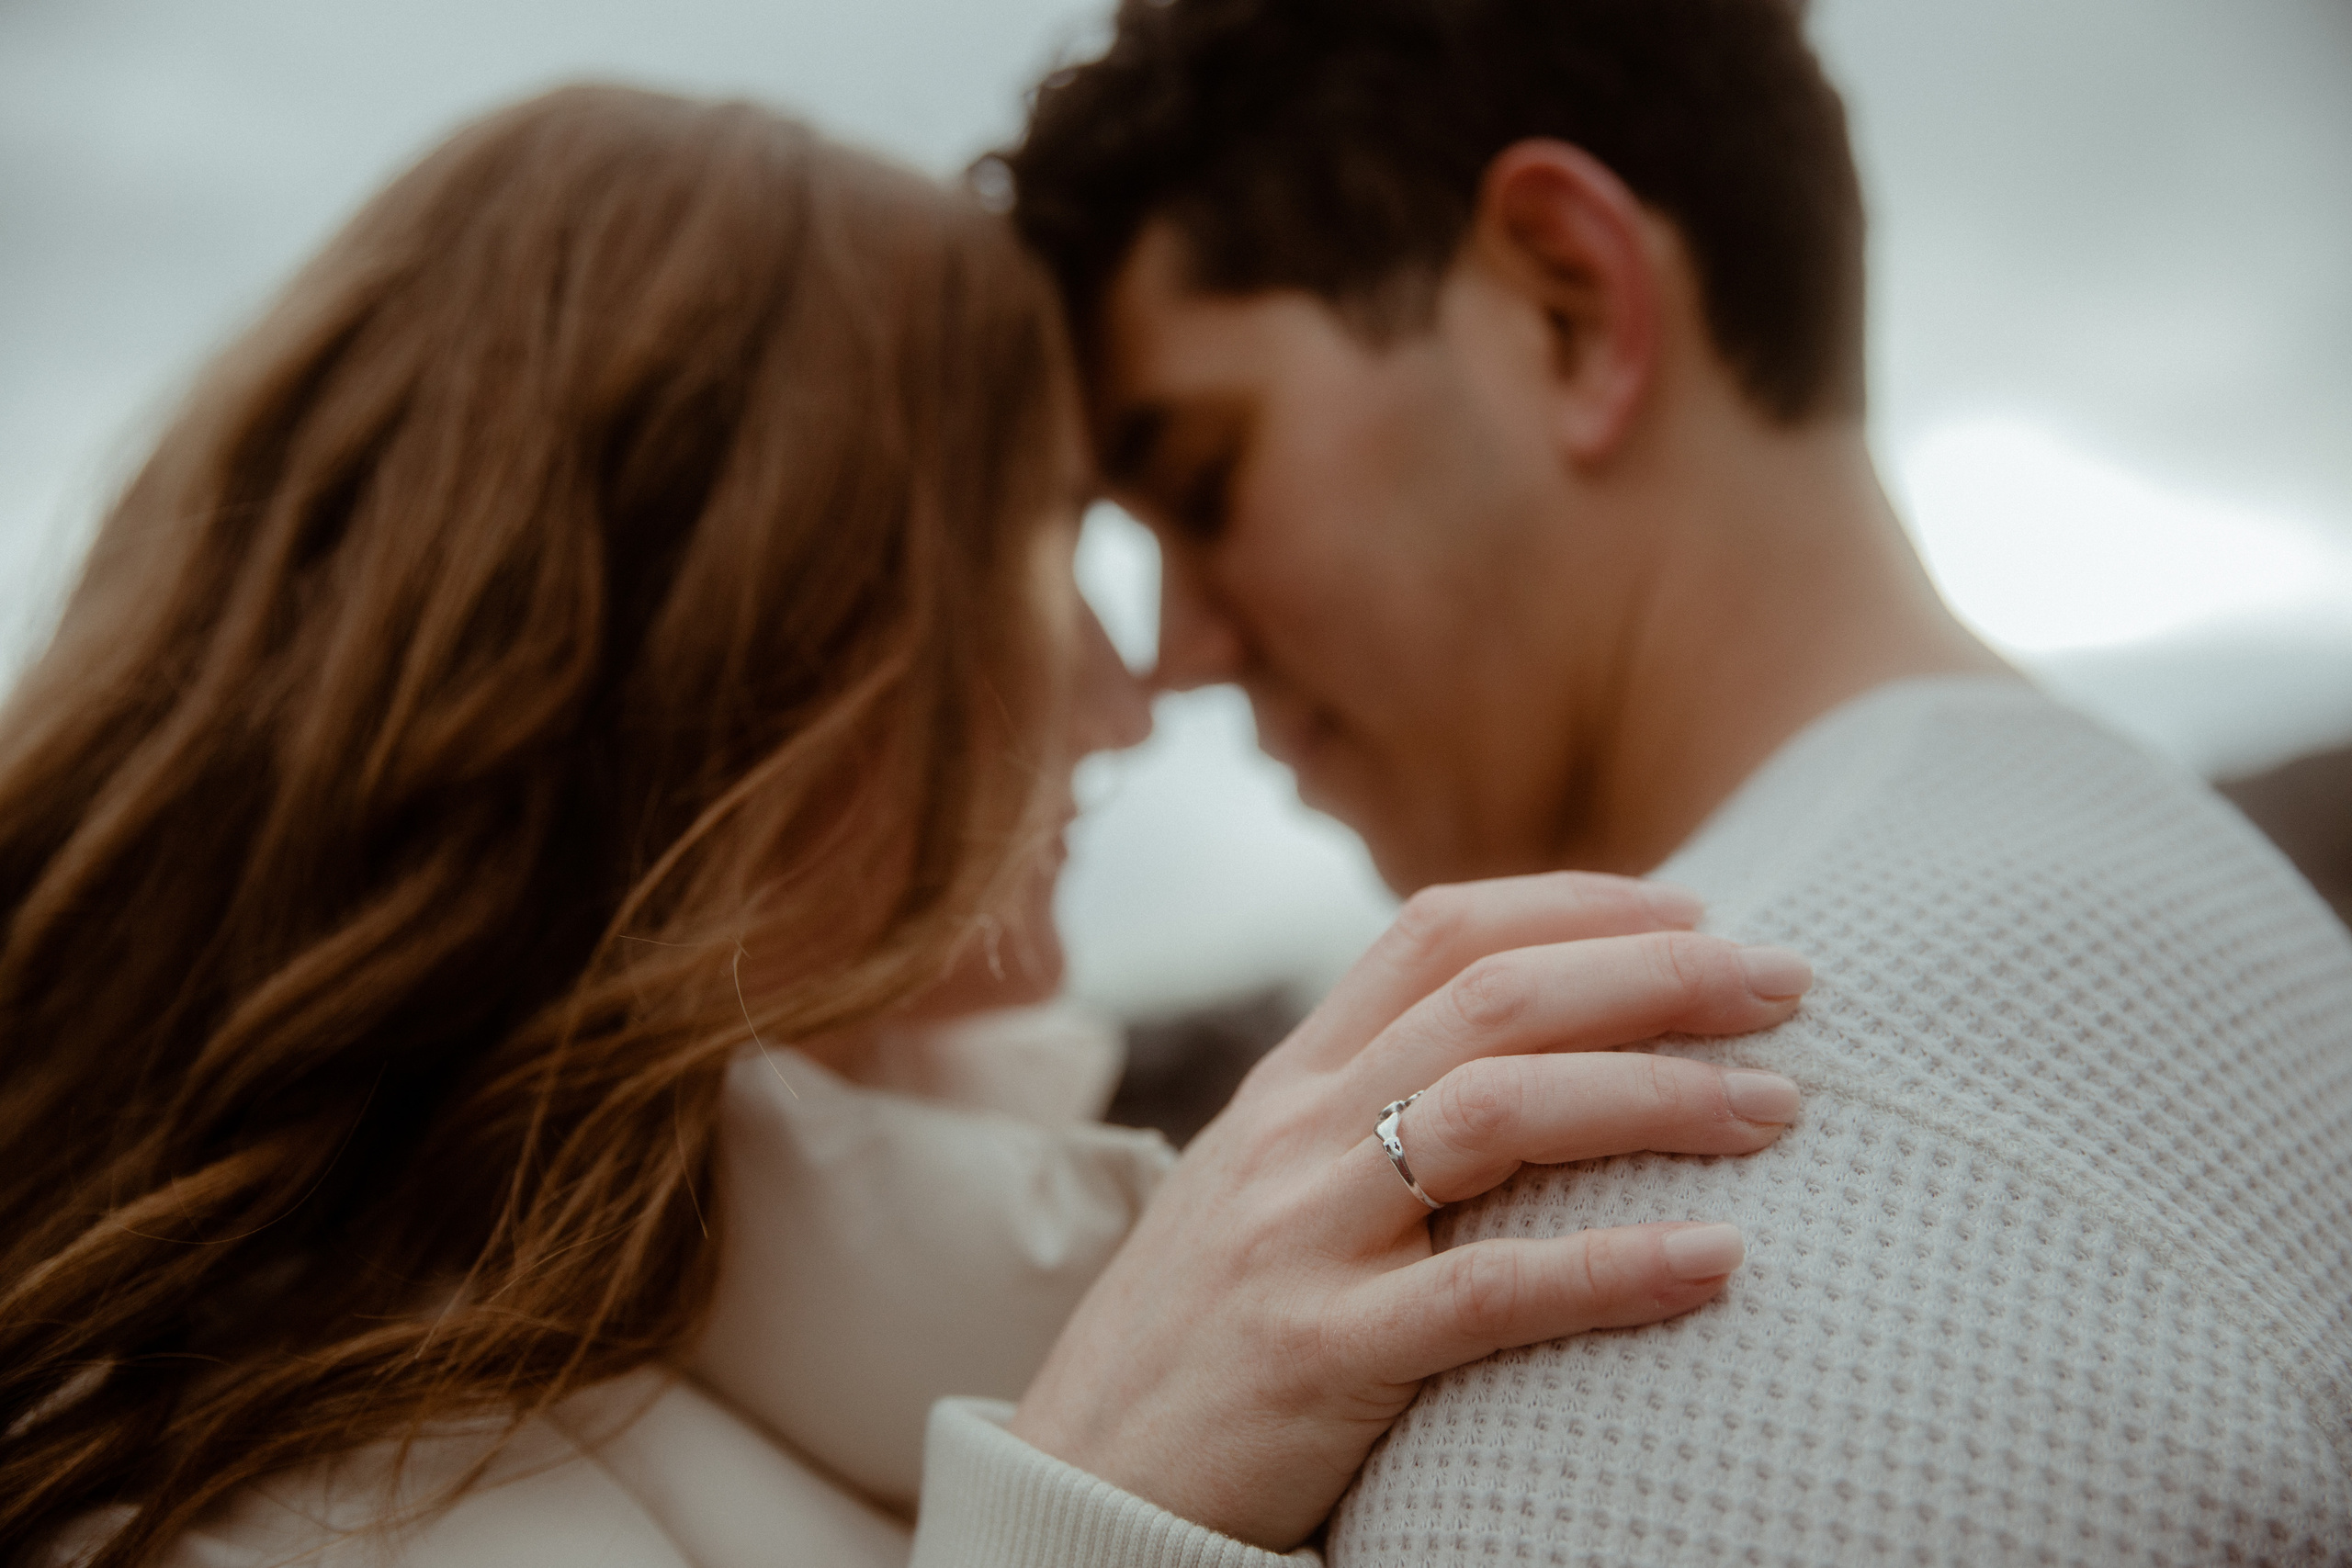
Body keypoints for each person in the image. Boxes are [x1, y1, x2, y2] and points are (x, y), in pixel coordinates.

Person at [0, 85, 1825, 1567]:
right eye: (1046, 536)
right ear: (731, 615)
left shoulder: (947, 1282)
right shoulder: (206, 1496)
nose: (1135, 682)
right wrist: (1074, 1520)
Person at [998, 0, 2352, 1561]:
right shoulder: (2237, 930)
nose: (1177, 654)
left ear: (1569, 302)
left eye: (1206, 482)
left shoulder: (1642, 1251)